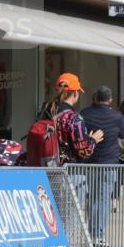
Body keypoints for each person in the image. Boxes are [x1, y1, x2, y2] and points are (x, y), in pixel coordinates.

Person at [42, 73, 104, 209]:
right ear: (75, 93)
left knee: (53, 219)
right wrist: (93, 140)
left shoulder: (46, 112)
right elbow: (84, 151)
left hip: (47, 171)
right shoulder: (73, 118)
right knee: (69, 220)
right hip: (70, 174)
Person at [80, 86, 124, 247]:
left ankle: (91, 234)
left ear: (95, 98)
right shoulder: (117, 116)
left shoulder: (84, 114)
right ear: (111, 100)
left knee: (93, 198)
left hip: (90, 162)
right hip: (109, 164)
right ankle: (98, 235)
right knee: (104, 199)